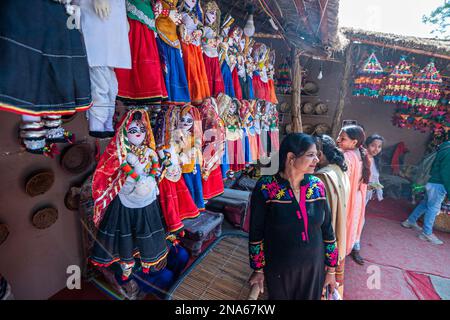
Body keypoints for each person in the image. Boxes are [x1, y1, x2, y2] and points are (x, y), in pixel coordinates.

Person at [248, 133, 338, 300]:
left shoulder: (317, 186)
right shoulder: (266, 187)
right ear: (291, 157)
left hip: (313, 267)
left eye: (317, 155)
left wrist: (331, 271)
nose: (317, 160)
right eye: (311, 155)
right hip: (280, 268)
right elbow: (256, 232)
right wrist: (258, 269)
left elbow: (327, 230)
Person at [315, 134, 350, 299]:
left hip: (326, 237)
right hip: (339, 233)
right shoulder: (339, 169)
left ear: (320, 155)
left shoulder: (321, 177)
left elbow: (318, 219)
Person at [402, 140, 450, 245]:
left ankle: (410, 221)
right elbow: (447, 174)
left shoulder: (445, 145)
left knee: (425, 203)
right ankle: (426, 233)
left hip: (431, 181)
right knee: (433, 208)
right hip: (438, 184)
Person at [336, 125, 370, 265]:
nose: (338, 140)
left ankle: (336, 260)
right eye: (339, 136)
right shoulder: (362, 154)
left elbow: (341, 182)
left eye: (342, 138)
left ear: (354, 142)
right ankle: (343, 255)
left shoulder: (346, 156)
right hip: (357, 199)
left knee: (342, 228)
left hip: (347, 199)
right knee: (352, 227)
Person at [365, 134, 385, 204]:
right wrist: (372, 186)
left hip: (366, 194)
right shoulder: (361, 159)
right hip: (357, 193)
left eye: (379, 147)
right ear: (367, 145)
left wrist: (375, 186)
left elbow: (373, 180)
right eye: (373, 146)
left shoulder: (374, 159)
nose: (376, 149)